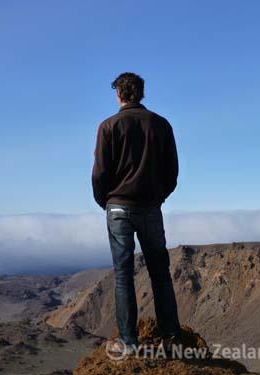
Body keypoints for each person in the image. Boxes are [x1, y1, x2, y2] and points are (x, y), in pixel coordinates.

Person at [92, 72, 181, 359]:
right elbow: (172, 172)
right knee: (160, 274)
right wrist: (158, 197)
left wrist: (107, 201)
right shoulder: (161, 125)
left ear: (119, 93)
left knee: (123, 276)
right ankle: (170, 338)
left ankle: (129, 343)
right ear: (141, 93)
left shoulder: (108, 126)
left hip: (118, 208)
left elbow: (100, 174)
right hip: (150, 208)